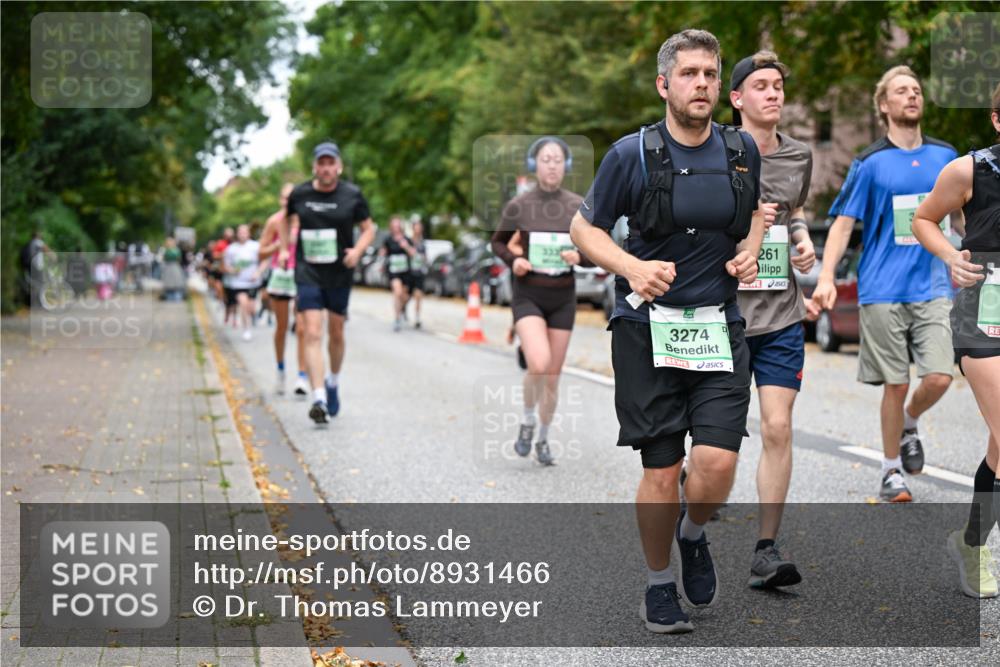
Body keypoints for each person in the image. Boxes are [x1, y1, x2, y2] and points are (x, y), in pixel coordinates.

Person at [570, 29, 772, 633]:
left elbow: (756, 211)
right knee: (661, 470)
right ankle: (659, 586)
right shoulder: (629, 155)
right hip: (645, 330)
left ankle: (693, 532)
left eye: (710, 74)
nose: (702, 84)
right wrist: (631, 265)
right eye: (689, 74)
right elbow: (586, 231)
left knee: (716, 464)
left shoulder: (741, 151)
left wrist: (753, 249)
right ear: (664, 84)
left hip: (717, 327)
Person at [812, 65, 959, 502]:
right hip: (882, 287)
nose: (912, 95)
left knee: (938, 377)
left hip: (934, 284)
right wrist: (826, 277)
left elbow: (966, 220)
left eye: (916, 90)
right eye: (901, 90)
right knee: (895, 382)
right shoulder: (870, 163)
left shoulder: (946, 157)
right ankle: (891, 469)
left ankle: (911, 420)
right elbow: (841, 226)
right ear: (884, 105)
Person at [730, 50, 819, 589]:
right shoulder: (718, 150)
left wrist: (803, 239)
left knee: (778, 427)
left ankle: (767, 547)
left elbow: (796, 210)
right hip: (726, 314)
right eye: (761, 85)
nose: (773, 93)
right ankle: (698, 480)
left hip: (782, 311)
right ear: (737, 98)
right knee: (716, 438)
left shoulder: (800, 155)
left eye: (779, 85)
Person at [912, 83, 1000, 598]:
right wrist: (951, 257)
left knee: (997, 445)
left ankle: (971, 541)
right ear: (995, 119)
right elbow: (924, 219)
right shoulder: (969, 170)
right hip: (984, 316)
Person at [491, 136, 588, 466]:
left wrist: (580, 257)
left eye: (557, 160)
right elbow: (499, 243)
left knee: (553, 375)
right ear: (534, 165)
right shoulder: (520, 205)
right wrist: (513, 261)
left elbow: (594, 251)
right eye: (545, 159)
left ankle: (543, 438)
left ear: (566, 166)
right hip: (528, 294)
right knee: (539, 363)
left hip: (562, 297)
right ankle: (527, 419)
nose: (551, 165)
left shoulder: (578, 205)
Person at [281, 141, 376, 424]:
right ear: (314, 166)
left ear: (338, 166)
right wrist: (286, 248)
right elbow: (285, 221)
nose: (325, 168)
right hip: (307, 271)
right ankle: (318, 396)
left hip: (339, 273)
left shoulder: (352, 195)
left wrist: (358, 251)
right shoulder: (300, 194)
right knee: (311, 331)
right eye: (320, 163)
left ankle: (333, 381)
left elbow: (369, 228)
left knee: (336, 332)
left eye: (330, 163)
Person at [259, 183, 309, 396]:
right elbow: (261, 252)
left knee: (302, 328)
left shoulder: (305, 219)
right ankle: (280, 371)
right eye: (284, 198)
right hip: (280, 277)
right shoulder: (274, 221)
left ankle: (302, 376)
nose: (287, 202)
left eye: (291, 198)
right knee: (281, 327)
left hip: (302, 276)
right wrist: (278, 248)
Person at [223, 224, 262, 341]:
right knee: (243, 304)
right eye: (240, 232)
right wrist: (232, 270)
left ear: (249, 234)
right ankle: (246, 329)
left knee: (251, 308)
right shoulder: (231, 249)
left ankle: (252, 317)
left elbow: (265, 261)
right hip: (238, 283)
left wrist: (258, 273)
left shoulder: (256, 246)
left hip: (253, 283)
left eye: (245, 232)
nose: (242, 235)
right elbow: (225, 266)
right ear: (237, 234)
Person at [380, 215, 415, 332]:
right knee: (397, 292)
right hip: (393, 270)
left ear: (400, 226)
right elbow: (383, 253)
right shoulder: (388, 239)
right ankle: (397, 319)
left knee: (404, 296)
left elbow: (413, 254)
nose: (395, 227)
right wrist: (381, 257)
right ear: (391, 226)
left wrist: (406, 246)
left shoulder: (406, 239)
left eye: (397, 225)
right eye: (393, 225)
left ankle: (403, 308)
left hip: (405, 271)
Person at [407, 220, 429, 329]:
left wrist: (423, 259)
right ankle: (403, 310)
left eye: (420, 227)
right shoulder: (409, 241)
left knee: (418, 296)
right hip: (409, 273)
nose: (418, 229)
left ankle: (417, 318)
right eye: (416, 227)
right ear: (413, 228)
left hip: (419, 272)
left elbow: (425, 257)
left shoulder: (423, 243)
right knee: (406, 296)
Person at [160, 237, 186, 301]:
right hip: (169, 267)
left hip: (174, 267)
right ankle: (170, 296)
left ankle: (175, 296)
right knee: (170, 282)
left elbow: (178, 259)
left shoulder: (174, 250)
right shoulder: (167, 250)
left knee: (175, 282)